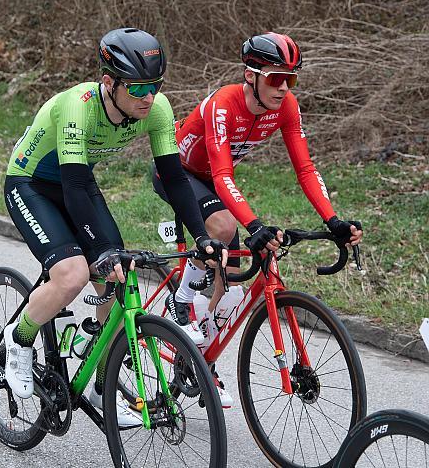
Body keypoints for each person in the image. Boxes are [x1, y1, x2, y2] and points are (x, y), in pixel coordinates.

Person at [3, 28, 225, 425]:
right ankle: (17, 342)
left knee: (120, 283)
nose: (149, 98)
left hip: (78, 182)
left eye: (155, 86)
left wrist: (203, 236)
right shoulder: (79, 106)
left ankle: (101, 386)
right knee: (71, 275)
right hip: (32, 183)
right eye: (138, 89)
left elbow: (174, 179)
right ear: (109, 82)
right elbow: (69, 186)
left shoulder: (157, 110)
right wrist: (97, 252)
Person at [152, 32, 364, 408]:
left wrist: (332, 220)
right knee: (223, 228)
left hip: (213, 180)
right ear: (250, 75)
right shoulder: (223, 104)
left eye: (291, 79)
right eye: (275, 78)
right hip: (178, 174)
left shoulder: (286, 107)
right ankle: (180, 301)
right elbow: (221, 176)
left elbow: (305, 168)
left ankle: (197, 360)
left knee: (228, 282)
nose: (284, 88)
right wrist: (254, 226)